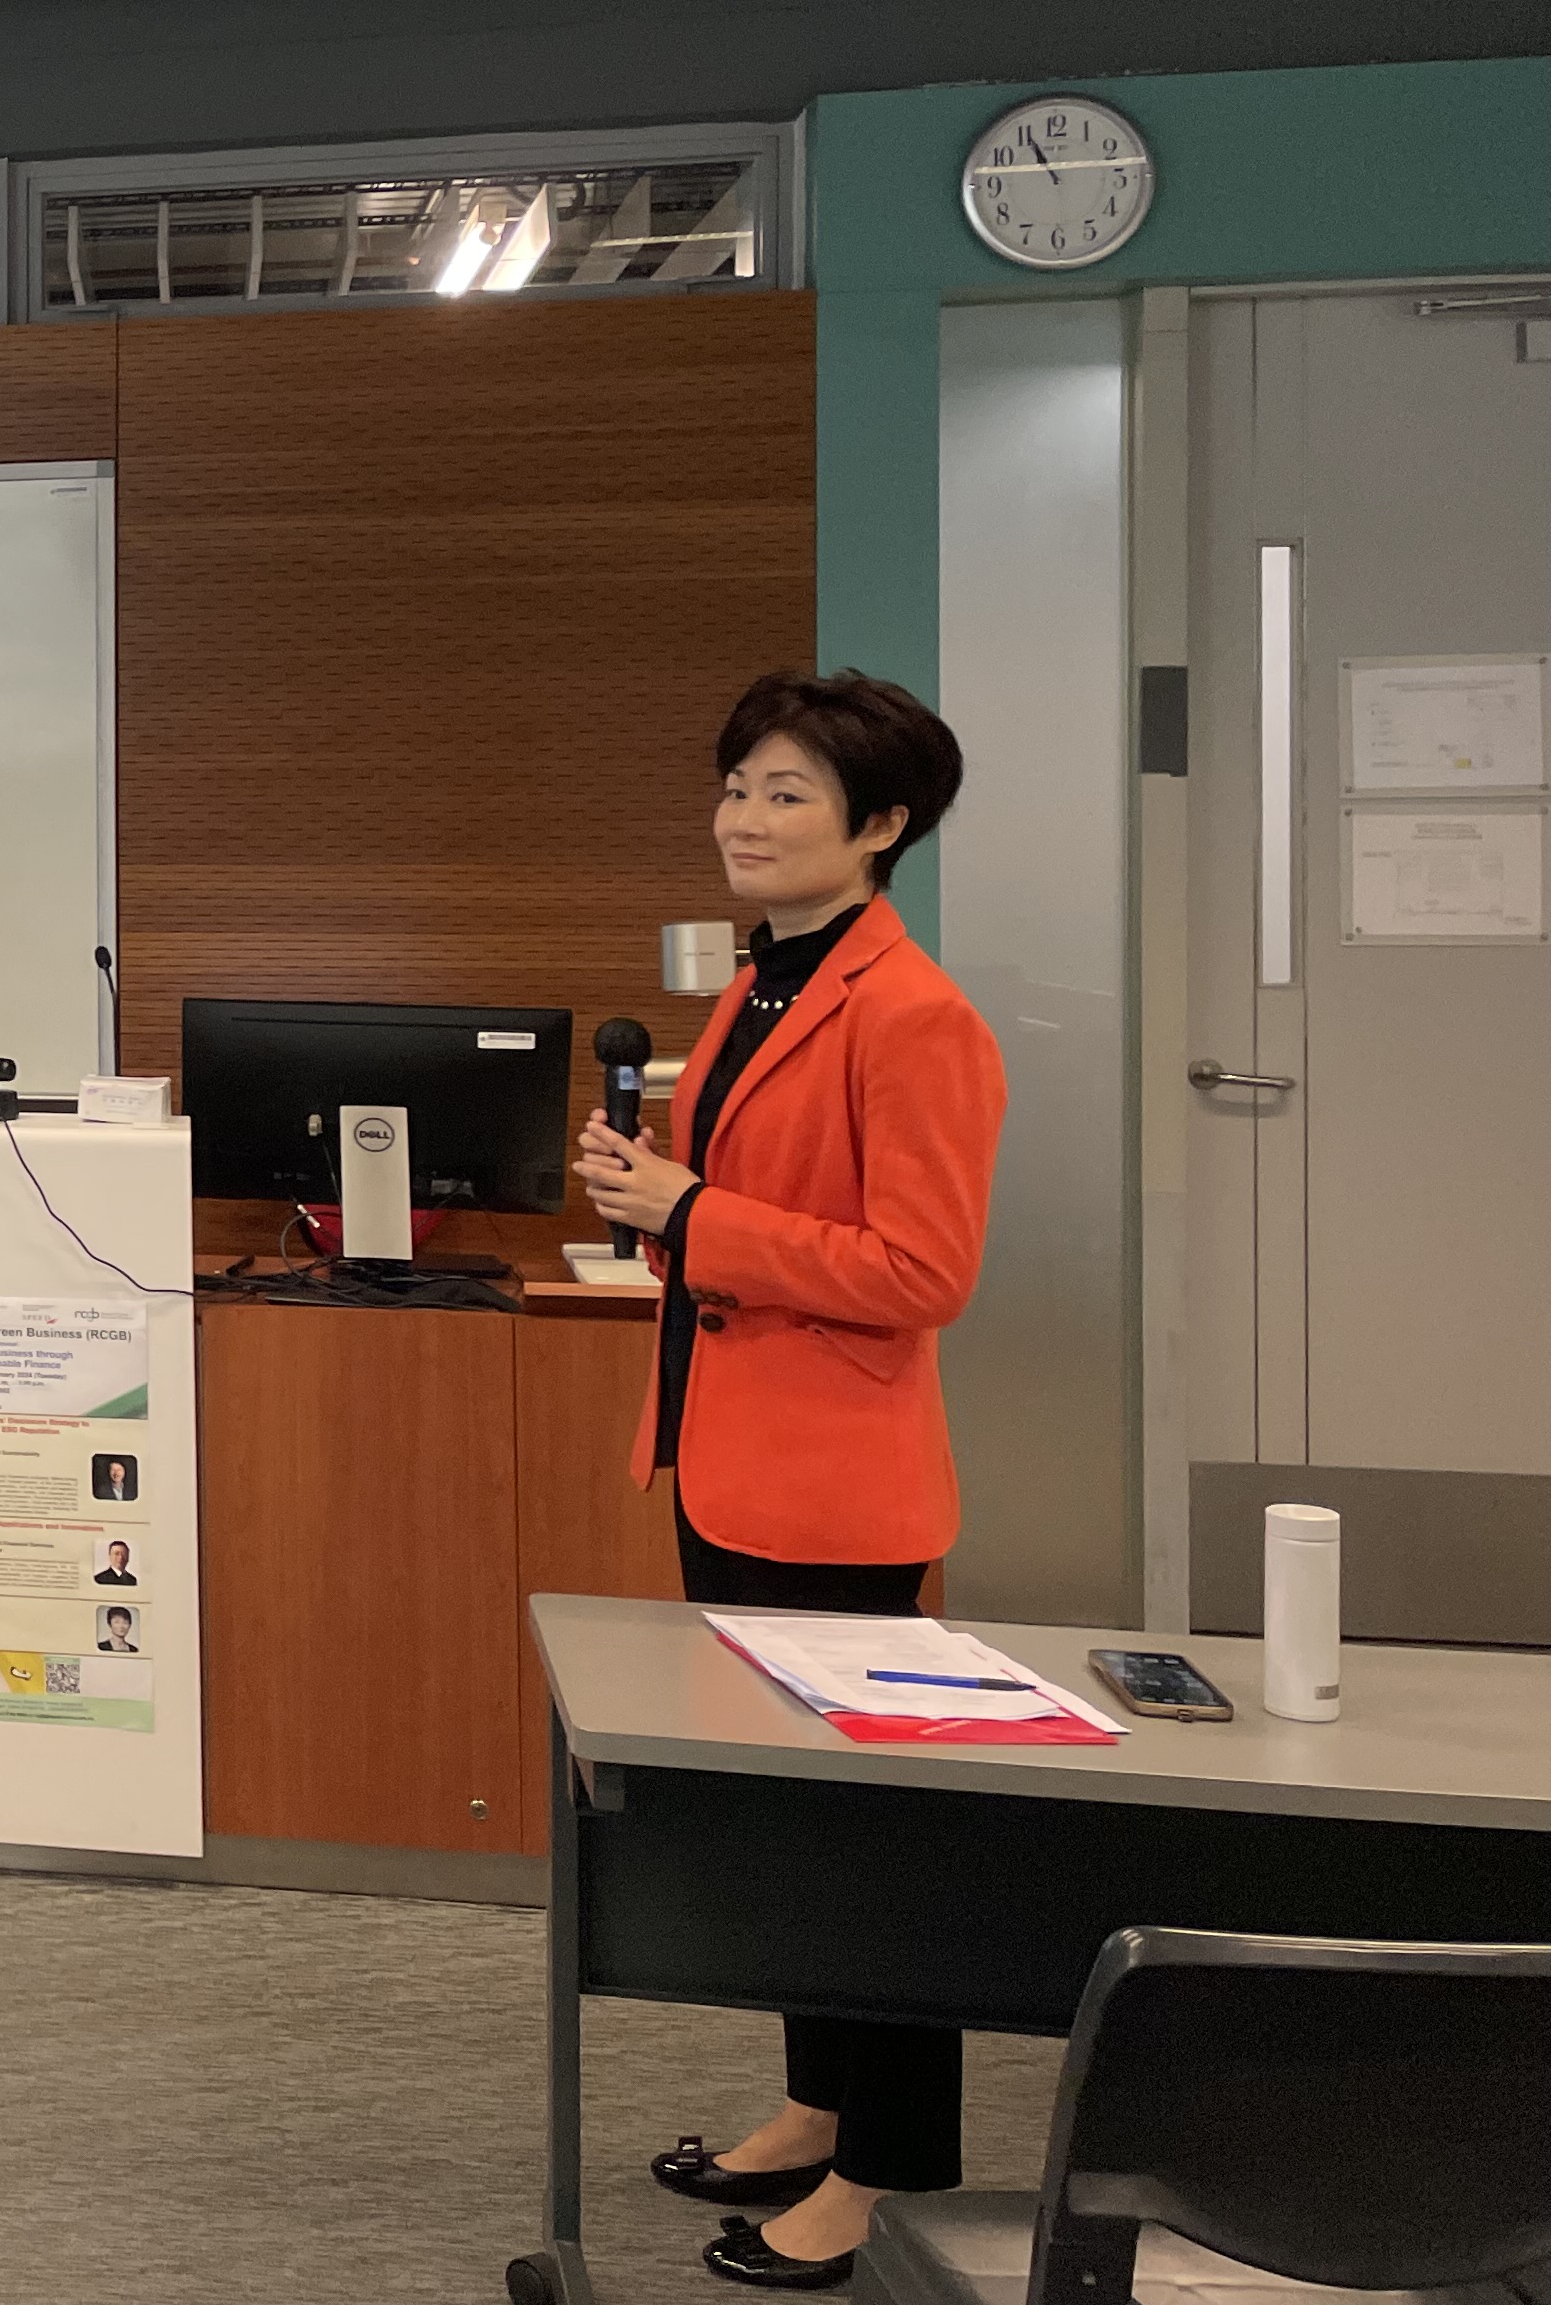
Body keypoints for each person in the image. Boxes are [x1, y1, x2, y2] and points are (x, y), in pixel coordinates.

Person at [574, 669, 1004, 2295]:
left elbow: (920, 1270)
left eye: (786, 794)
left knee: (861, 1842)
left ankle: (889, 2167)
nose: (742, 819)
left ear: (881, 825)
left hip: (832, 1486)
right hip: (730, 1458)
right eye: (735, 786)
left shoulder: (912, 1013)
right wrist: (654, 1197)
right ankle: (819, 2104)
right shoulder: (766, 979)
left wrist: (692, 1211)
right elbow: (736, 1207)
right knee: (787, 1826)